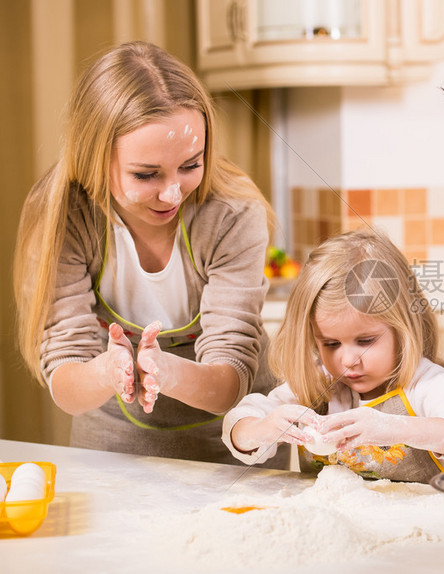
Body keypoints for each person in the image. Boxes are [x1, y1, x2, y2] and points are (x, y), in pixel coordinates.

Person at [13, 41, 287, 466]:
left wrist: (167, 370)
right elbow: (67, 385)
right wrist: (109, 370)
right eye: (147, 174)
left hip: (236, 448)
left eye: (191, 165)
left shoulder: (231, 213)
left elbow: (228, 383)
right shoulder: (64, 216)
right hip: (114, 451)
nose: (173, 192)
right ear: (95, 157)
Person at [223, 230, 444, 482]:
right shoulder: (319, 384)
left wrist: (396, 428)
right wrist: (263, 428)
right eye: (331, 344)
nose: (348, 360)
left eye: (365, 341)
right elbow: (240, 428)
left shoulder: (424, 384)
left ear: (403, 328)